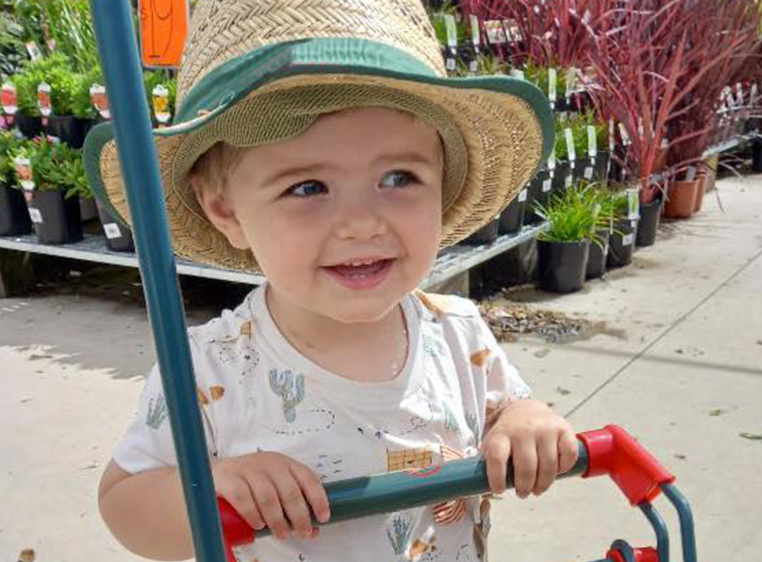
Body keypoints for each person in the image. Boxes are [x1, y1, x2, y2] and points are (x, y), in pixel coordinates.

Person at [84, 0, 577, 560]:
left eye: (399, 177)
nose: (362, 223)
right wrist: (206, 487)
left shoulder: (460, 335)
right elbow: (122, 501)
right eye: (308, 187)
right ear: (223, 207)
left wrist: (526, 422)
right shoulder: (207, 370)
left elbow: (508, 410)